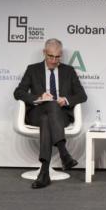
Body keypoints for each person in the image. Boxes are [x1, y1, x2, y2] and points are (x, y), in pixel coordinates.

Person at [14, 38, 88, 188]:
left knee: (47, 118)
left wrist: (65, 100)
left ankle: (44, 173)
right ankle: (63, 152)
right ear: (44, 53)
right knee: (47, 111)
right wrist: (39, 98)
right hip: (37, 112)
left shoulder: (68, 71)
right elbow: (18, 92)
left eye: (57, 56)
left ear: (61, 55)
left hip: (60, 115)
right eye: (50, 56)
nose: (54, 60)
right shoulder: (32, 69)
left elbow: (82, 95)